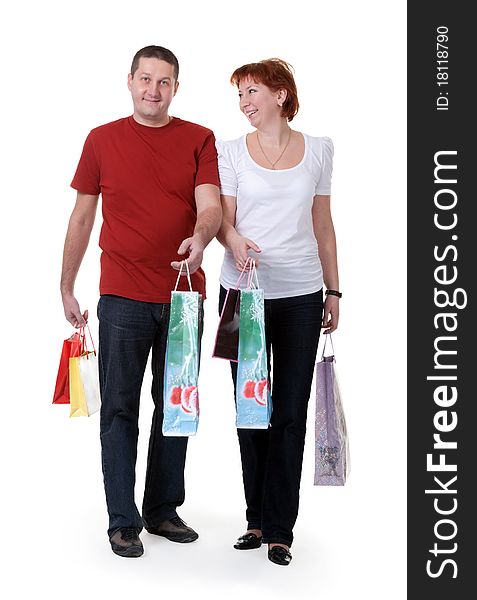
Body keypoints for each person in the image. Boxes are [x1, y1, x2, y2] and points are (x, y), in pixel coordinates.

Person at [60, 45, 221, 558]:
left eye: (165, 82)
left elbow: (211, 205)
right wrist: (66, 286)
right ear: (129, 80)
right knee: (120, 410)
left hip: (183, 298)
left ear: (177, 87)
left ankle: (162, 510)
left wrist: (201, 240)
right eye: (145, 79)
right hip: (123, 297)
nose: (154, 90)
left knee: (176, 408)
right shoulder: (101, 140)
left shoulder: (199, 139)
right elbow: (82, 218)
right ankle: (122, 520)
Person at [216, 58, 341, 566]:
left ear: (281, 95)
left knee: (289, 413)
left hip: (302, 293)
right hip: (244, 294)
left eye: (252, 93)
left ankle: (280, 529)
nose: (244, 103)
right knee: (252, 409)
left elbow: (324, 224)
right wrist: (236, 239)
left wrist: (334, 291)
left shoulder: (319, 151)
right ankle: (255, 517)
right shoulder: (229, 152)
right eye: (240, 96)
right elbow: (223, 221)